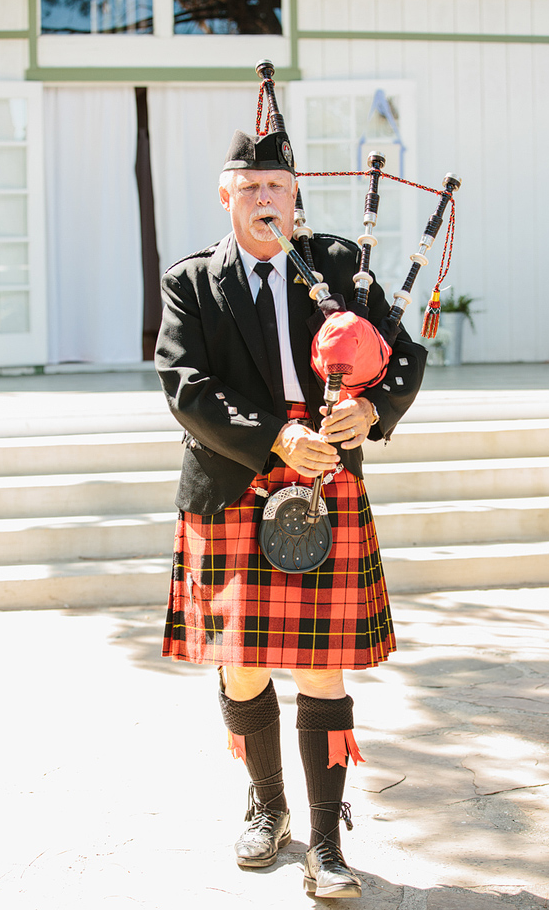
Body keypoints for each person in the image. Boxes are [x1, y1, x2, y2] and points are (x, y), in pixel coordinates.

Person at [154, 130, 425, 899]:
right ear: (226, 196)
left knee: (318, 666)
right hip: (234, 477)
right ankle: (266, 808)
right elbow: (184, 384)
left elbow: (403, 355)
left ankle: (327, 842)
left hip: (327, 475)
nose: (265, 200)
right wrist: (276, 434)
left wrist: (370, 412)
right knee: (241, 666)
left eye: (278, 186)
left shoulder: (342, 266)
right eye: (250, 188)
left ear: (295, 195)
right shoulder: (194, 282)